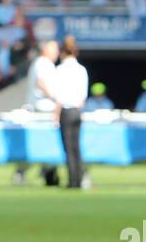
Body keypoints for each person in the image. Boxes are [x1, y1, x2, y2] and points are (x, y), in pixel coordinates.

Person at [13, 40, 60, 186]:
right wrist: (55, 96)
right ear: (46, 50)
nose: (57, 53)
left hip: (44, 110)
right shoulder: (43, 63)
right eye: (54, 50)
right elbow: (41, 83)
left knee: (45, 145)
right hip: (42, 110)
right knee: (38, 144)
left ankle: (46, 172)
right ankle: (22, 172)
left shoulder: (45, 64)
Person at [52, 36, 90, 189]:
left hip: (66, 111)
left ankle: (73, 181)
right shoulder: (82, 70)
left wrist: (56, 114)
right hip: (77, 111)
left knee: (68, 148)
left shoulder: (60, 70)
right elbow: (83, 96)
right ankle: (79, 178)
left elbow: (59, 95)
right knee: (77, 147)